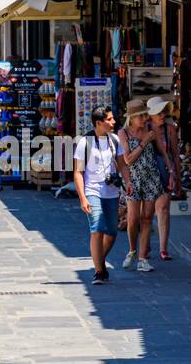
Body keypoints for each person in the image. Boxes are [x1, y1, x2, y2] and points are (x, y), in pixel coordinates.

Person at [73, 106, 121, 286]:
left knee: (112, 233)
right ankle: (99, 271)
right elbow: (78, 173)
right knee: (97, 228)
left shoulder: (114, 140)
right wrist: (82, 198)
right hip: (92, 191)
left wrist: (128, 182)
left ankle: (98, 261)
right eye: (109, 119)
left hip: (111, 192)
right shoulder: (85, 143)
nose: (113, 122)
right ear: (99, 123)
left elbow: (122, 165)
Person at [116, 99, 161, 273]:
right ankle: (132, 251)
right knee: (133, 219)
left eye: (145, 115)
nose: (145, 118)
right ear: (132, 118)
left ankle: (142, 258)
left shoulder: (151, 130)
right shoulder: (123, 133)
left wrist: (171, 171)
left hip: (151, 177)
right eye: (141, 115)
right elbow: (127, 159)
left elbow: (162, 152)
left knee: (147, 218)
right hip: (132, 179)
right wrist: (144, 142)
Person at [147, 96, 180, 261]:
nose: (162, 116)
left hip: (165, 173)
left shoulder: (169, 129)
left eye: (164, 112)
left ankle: (163, 248)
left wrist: (178, 178)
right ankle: (144, 245)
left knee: (163, 209)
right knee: (145, 213)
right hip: (146, 174)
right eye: (158, 113)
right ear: (151, 114)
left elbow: (175, 154)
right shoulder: (144, 128)